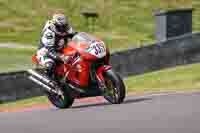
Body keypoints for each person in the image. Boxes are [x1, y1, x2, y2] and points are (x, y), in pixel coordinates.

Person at [36, 12, 77, 82]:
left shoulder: (67, 28)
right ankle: (49, 81)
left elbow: (75, 35)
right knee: (50, 65)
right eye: (59, 27)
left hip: (61, 51)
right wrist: (61, 57)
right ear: (55, 25)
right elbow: (49, 50)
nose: (62, 29)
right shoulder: (49, 32)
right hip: (46, 53)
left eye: (64, 26)